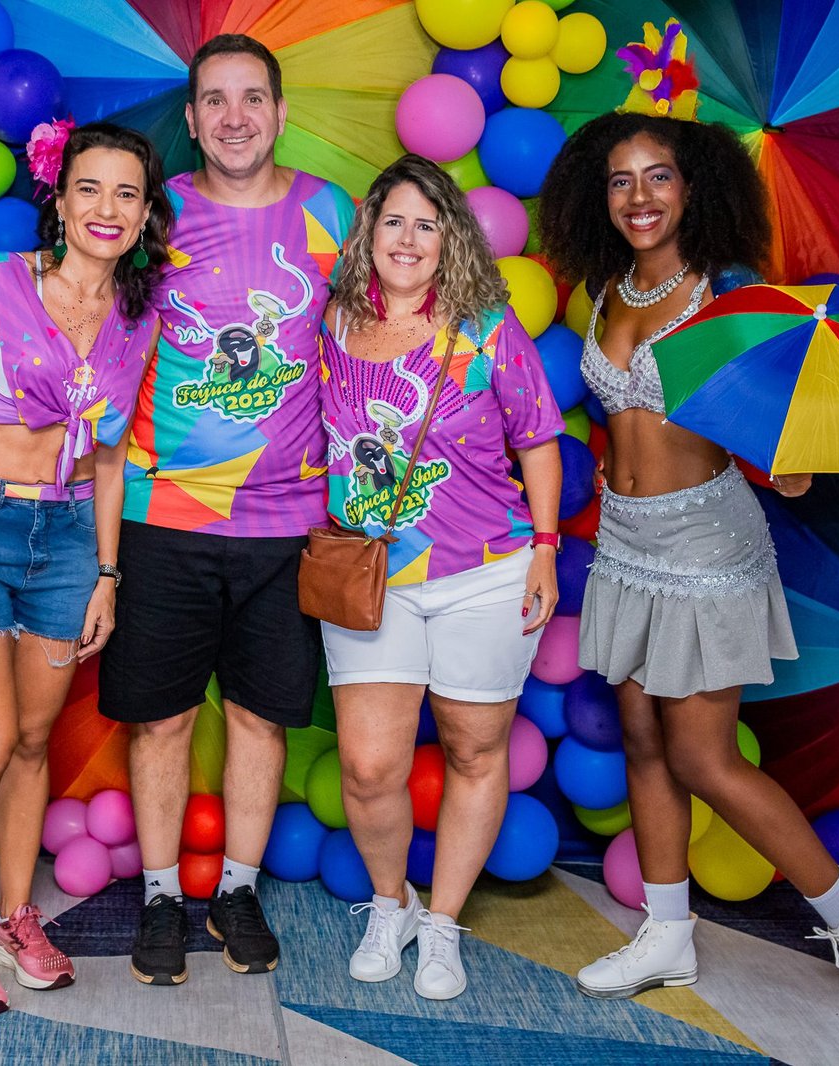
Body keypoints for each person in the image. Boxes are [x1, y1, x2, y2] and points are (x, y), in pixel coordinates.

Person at [0, 33, 353, 986]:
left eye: (253, 98)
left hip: (287, 518)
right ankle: (161, 896)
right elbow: (69, 288)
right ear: (193, 118)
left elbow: (383, 312)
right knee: (159, 719)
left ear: (282, 112)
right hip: (158, 517)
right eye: (215, 100)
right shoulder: (158, 217)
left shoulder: (333, 211)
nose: (236, 117)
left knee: (260, 719)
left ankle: (238, 891)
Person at [537, 27, 839, 1028]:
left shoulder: (729, 293)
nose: (639, 197)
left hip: (706, 543)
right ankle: (667, 930)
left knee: (704, 755)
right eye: (620, 181)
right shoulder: (604, 290)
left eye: (658, 176)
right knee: (639, 734)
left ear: (694, 186)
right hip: (624, 538)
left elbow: (775, 425)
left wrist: (784, 458)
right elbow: (628, 418)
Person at [0, 122, 169, 1018]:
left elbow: (112, 456)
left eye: (126, 194)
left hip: (68, 542)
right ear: (59, 201)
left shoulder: (138, 318)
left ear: (145, 213)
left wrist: (106, 574)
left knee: (31, 741)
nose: (107, 209)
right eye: (89, 188)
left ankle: (13, 917)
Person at [318, 154, 563, 1001]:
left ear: (449, 238)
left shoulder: (487, 327)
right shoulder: (332, 323)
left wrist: (546, 546)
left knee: (473, 749)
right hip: (369, 576)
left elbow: (538, 438)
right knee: (369, 767)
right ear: (370, 232)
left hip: (485, 572)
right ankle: (392, 905)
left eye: (426, 224)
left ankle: (445, 923)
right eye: (394, 221)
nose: (409, 238)